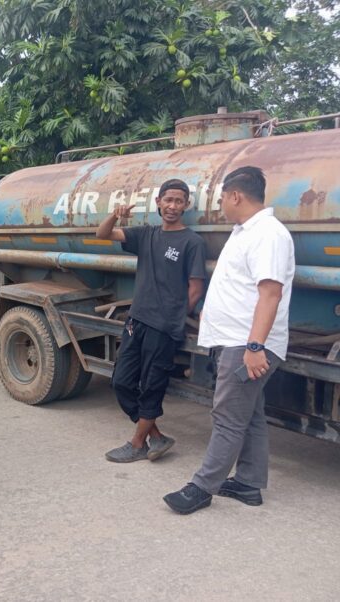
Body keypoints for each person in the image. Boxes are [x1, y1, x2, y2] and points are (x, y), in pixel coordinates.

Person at [164, 166, 295, 515]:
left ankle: (201, 488)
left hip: (246, 345)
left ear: (236, 195)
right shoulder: (245, 232)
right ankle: (249, 484)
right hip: (236, 341)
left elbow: (270, 294)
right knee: (249, 415)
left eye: (222, 197)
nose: (220, 203)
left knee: (227, 416)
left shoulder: (268, 234)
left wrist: (254, 347)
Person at [96, 179, 207, 463]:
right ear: (158, 202)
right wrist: (114, 215)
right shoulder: (146, 234)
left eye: (179, 201)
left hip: (165, 327)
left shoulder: (192, 242)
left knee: (152, 386)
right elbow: (102, 234)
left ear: (186, 205)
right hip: (137, 320)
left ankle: (137, 444)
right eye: (168, 200)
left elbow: (195, 288)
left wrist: (176, 316)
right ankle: (156, 436)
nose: (172, 206)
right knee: (121, 382)